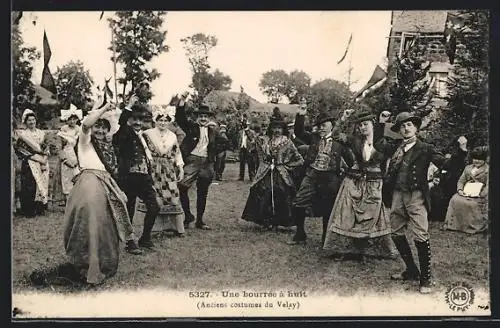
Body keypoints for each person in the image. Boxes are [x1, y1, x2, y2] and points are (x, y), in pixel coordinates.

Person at [63, 97, 142, 286]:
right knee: (89, 224)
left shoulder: (109, 146)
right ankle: (87, 265)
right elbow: (86, 124)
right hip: (89, 184)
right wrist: (105, 106)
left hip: (106, 185)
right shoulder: (85, 142)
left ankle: (103, 263)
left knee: (107, 226)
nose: (99, 130)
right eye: (97, 127)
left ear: (108, 130)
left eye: (104, 127)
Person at [375, 111, 456, 294]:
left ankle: (426, 278)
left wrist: (461, 152)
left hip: (416, 195)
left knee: (420, 234)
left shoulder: (425, 148)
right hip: (397, 194)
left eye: (409, 125)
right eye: (402, 126)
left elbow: (445, 163)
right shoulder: (395, 146)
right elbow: (379, 144)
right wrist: (380, 124)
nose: (405, 128)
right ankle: (411, 269)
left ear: (416, 128)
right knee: (395, 232)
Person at [323, 109, 396, 261]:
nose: (363, 127)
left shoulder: (384, 142)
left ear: (373, 124)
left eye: (366, 124)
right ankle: (345, 250)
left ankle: (363, 251)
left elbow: (393, 156)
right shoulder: (355, 140)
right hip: (353, 181)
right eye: (360, 125)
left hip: (374, 183)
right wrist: (344, 117)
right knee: (347, 215)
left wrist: (384, 122)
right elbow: (335, 135)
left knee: (370, 217)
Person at [287, 105, 350, 246]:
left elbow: (350, 159)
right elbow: (299, 132)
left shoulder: (340, 141)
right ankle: (300, 233)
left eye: (324, 125)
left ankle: (324, 238)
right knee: (298, 202)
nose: (321, 128)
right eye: (319, 126)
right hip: (312, 174)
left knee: (328, 207)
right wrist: (301, 115)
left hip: (330, 177)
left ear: (331, 126)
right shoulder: (314, 138)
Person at [241, 108, 304, 229]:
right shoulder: (266, 141)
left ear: (283, 129)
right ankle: (265, 221)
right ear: (271, 129)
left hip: (281, 174)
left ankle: (279, 221)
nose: (277, 131)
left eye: (279, 128)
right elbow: (253, 140)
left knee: (281, 193)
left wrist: (285, 166)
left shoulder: (288, 143)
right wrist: (246, 128)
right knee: (263, 191)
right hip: (266, 172)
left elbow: (300, 160)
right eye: (274, 128)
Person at [113, 96, 159, 249]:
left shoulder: (143, 135)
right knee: (129, 210)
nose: (138, 123)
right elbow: (121, 124)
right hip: (129, 177)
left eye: (140, 120)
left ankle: (145, 238)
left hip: (144, 177)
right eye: (134, 119)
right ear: (129, 120)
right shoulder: (124, 133)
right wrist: (128, 106)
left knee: (154, 206)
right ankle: (129, 242)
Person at [134, 106, 186, 237]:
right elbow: (143, 150)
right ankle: (154, 228)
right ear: (155, 121)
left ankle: (173, 227)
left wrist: (180, 167)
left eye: (165, 120)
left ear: (169, 121)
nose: (163, 123)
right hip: (153, 168)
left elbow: (177, 153)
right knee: (155, 195)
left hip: (168, 169)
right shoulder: (148, 134)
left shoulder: (172, 136)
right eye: (160, 120)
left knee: (171, 194)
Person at [175, 97, 220, 230]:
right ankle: (188, 215)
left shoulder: (213, 131)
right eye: (201, 116)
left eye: (206, 117)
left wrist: (213, 156)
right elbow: (180, 119)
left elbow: (224, 143)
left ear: (209, 118)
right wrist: (182, 104)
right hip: (192, 161)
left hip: (206, 163)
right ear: (197, 117)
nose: (203, 119)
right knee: (182, 186)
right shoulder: (191, 128)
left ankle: (200, 221)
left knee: (203, 191)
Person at [443, 146, 489, 234]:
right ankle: (453, 225)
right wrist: (460, 190)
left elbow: (489, 185)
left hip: (480, 193)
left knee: (471, 204)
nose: (477, 161)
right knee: (455, 199)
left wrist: (481, 194)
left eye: (479, 159)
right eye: (475, 159)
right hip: (467, 190)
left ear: (484, 160)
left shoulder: (488, 169)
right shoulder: (468, 168)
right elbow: (461, 180)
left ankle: (472, 226)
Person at [13, 109, 50, 217]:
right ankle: (28, 210)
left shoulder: (41, 133)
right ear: (25, 122)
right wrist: (38, 158)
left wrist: (44, 160)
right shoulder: (23, 135)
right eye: (29, 120)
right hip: (29, 162)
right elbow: (21, 150)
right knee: (30, 186)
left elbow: (46, 147)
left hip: (42, 162)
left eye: (33, 119)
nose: (32, 122)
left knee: (41, 184)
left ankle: (40, 208)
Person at [429, 136, 468, 221]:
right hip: (446, 179)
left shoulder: (459, 157)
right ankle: (436, 215)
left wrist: (463, 147)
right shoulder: (447, 157)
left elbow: (460, 160)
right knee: (437, 194)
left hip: (454, 180)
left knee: (444, 194)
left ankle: (440, 215)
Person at [55, 106, 83, 204]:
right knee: (67, 179)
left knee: (77, 178)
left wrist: (79, 159)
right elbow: (60, 147)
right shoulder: (64, 129)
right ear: (67, 119)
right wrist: (65, 160)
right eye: (70, 119)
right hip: (67, 156)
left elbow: (81, 145)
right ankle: (68, 202)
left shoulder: (79, 129)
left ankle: (77, 202)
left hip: (77, 156)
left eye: (74, 119)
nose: (72, 121)